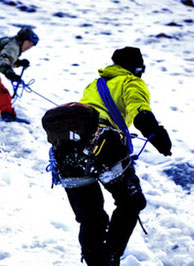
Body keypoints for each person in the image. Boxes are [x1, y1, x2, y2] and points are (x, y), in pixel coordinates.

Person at [63, 47, 172, 265]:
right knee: (132, 202)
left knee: (91, 217)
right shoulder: (131, 82)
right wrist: (159, 137)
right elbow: (140, 112)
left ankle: (96, 261)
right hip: (103, 147)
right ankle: (110, 256)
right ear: (138, 67)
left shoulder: (96, 84)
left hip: (66, 150)